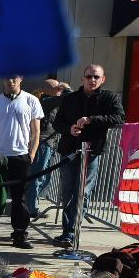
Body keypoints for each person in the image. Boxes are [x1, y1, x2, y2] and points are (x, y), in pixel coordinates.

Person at [53, 64, 125, 248]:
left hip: (92, 152)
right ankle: (67, 231)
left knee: (82, 193)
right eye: (88, 76)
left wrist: (91, 120)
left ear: (103, 79)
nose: (92, 80)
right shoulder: (71, 98)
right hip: (69, 150)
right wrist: (69, 129)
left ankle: (71, 232)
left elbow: (119, 118)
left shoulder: (109, 97)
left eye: (96, 77)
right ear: (82, 78)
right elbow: (57, 123)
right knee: (68, 192)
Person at [0, 75, 43, 249]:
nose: (10, 81)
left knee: (20, 198)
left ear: (21, 78)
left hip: (21, 156)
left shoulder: (31, 100)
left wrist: (32, 153)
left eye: (14, 77)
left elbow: (35, 132)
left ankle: (20, 235)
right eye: (6, 77)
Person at [26, 79, 69, 219]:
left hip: (50, 143)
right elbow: (68, 97)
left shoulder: (53, 101)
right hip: (43, 143)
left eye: (59, 88)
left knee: (46, 177)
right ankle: (31, 208)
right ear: (46, 89)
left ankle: (29, 203)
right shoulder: (44, 101)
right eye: (56, 87)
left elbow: (71, 101)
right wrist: (67, 88)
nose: (59, 90)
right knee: (38, 176)